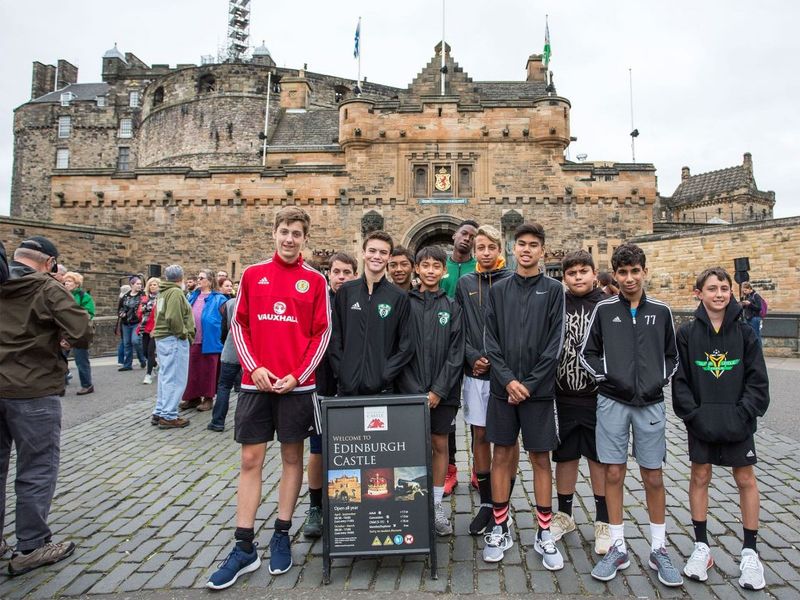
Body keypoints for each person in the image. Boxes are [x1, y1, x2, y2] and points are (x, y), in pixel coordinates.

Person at [207, 207, 330, 588]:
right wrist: (254, 366)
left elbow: (321, 334)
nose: (290, 239)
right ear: (274, 234)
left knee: (292, 457)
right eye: (284, 232)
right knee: (250, 459)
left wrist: (298, 374)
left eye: (296, 233)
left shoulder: (315, 281)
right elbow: (239, 325)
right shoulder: (253, 274)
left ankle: (281, 532)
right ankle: (243, 546)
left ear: (305, 239)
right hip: (254, 383)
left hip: (297, 386)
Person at [580, 243, 682, 586]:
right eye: (622, 272)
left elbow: (673, 355)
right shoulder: (605, 309)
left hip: (650, 402)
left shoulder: (662, 311)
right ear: (615, 274)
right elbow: (587, 353)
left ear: (644, 272)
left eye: (634, 271)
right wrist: (606, 376)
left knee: (653, 475)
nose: (628, 278)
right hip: (612, 401)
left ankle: (659, 548)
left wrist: (658, 378)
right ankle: (618, 546)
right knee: (613, 473)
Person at [673, 267, 770, 590]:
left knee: (745, 478)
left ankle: (750, 551)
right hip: (702, 420)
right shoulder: (686, 334)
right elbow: (681, 381)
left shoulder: (746, 334)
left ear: (732, 292)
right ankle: (702, 546)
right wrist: (694, 416)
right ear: (698, 293)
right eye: (712, 288)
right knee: (700, 476)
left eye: (724, 288)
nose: (719, 294)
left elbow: (758, 381)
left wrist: (743, 414)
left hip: (737, 420)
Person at [0, 236, 92, 575]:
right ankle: (32, 546)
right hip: (32, 389)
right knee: (36, 469)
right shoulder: (45, 287)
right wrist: (60, 337)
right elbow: (81, 330)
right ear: (50, 263)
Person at [482, 223, 565, 571]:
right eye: (521, 244)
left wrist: (528, 384)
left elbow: (554, 344)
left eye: (534, 244)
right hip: (503, 391)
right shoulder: (498, 290)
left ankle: (544, 532)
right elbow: (491, 340)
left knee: (541, 459)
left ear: (542, 250)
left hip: (539, 392)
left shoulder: (554, 290)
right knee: (501, 455)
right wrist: (508, 380)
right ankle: (500, 525)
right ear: (512, 249)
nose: (527, 250)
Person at [396, 245, 464, 536]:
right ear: (417, 269)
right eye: (425, 266)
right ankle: (409, 505)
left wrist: (437, 390)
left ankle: (436, 505)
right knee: (410, 446)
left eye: (437, 266)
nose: (431, 271)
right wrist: (414, 390)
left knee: (439, 445)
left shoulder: (452, 307)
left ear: (444, 270)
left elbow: (456, 352)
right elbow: (399, 350)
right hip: (409, 391)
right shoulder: (405, 304)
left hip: (443, 394)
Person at [548, 251, 611, 555]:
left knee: (598, 457)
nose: (577, 277)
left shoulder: (607, 304)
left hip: (597, 395)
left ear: (594, 273)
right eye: (571, 273)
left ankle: (602, 519)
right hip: (563, 393)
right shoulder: (557, 303)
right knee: (565, 455)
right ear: (564, 278)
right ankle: (564, 514)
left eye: (583, 271)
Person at [455, 225, 515, 536]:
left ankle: (505, 500)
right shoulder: (465, 283)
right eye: (481, 247)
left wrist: (499, 360)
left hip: (504, 376)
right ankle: (488, 503)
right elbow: (458, 325)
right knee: (480, 435)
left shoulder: (514, 280)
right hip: (474, 372)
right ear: (474, 251)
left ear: (500, 248)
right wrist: (470, 356)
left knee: (506, 440)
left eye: (492, 246)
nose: (486, 253)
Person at [303, 252, 358, 539]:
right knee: (318, 450)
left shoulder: (361, 303)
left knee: (354, 450)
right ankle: (316, 507)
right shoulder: (316, 302)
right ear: (329, 274)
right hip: (321, 387)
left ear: (354, 275)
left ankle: (352, 505)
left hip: (353, 389)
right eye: (336, 272)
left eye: (346, 272)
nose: (340, 277)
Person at [329, 230, 413, 396]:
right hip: (347, 387)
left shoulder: (399, 297)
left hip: (382, 388)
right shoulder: (346, 291)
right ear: (363, 253)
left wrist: (385, 375)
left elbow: (406, 346)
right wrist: (342, 372)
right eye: (372, 251)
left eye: (383, 252)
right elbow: (334, 337)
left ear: (389, 258)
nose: (377, 256)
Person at [439, 219, 479, 494]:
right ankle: (450, 468)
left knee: (479, 415)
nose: (467, 238)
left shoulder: (479, 269)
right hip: (445, 348)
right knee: (448, 413)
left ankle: (479, 468)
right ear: (455, 235)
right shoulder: (442, 269)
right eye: (464, 233)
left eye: (472, 236)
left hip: (474, 347)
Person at [151, 265, 195, 429]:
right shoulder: (175, 292)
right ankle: (169, 415)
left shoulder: (163, 291)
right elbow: (173, 317)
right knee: (175, 378)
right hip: (173, 339)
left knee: (165, 376)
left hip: (163, 338)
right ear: (181, 277)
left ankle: (161, 410)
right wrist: (183, 333)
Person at [181, 269, 227, 412]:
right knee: (192, 370)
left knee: (209, 371)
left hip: (210, 340)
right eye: (198, 277)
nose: (198, 280)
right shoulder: (193, 296)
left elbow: (224, 321)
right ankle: (193, 397)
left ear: (209, 280)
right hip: (194, 339)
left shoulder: (219, 299)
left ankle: (208, 398)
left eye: (201, 278)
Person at [207, 287, 241, 433]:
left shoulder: (230, 304)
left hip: (231, 348)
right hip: (251, 353)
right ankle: (242, 423)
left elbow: (224, 328)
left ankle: (218, 421)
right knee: (246, 391)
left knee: (224, 387)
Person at [62, 271, 96, 395]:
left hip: (80, 332)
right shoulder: (61, 295)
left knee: (81, 360)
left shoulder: (83, 296)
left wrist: (73, 314)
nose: (66, 283)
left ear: (76, 283)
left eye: (69, 281)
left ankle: (87, 385)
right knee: (60, 359)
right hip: (64, 331)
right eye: (65, 281)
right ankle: (61, 384)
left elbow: (89, 313)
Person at [118, 276, 146, 371]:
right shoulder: (125, 296)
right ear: (132, 284)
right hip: (126, 322)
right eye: (137, 284)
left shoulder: (143, 295)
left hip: (137, 322)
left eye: (140, 284)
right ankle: (127, 365)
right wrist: (121, 313)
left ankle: (142, 359)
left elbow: (147, 306)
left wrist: (144, 310)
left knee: (135, 341)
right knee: (127, 344)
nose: (139, 286)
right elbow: (120, 308)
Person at [138, 277, 160, 385]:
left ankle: (148, 375)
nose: (152, 286)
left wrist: (156, 328)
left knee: (151, 351)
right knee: (145, 352)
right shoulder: (145, 298)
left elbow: (160, 315)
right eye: (151, 285)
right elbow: (139, 314)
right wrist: (141, 311)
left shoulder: (160, 299)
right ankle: (155, 365)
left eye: (155, 284)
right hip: (144, 327)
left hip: (154, 328)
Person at [116, 283, 131, 366]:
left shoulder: (121, 298)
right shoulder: (126, 299)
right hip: (127, 322)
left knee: (123, 342)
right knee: (126, 342)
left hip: (123, 322)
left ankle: (120, 360)